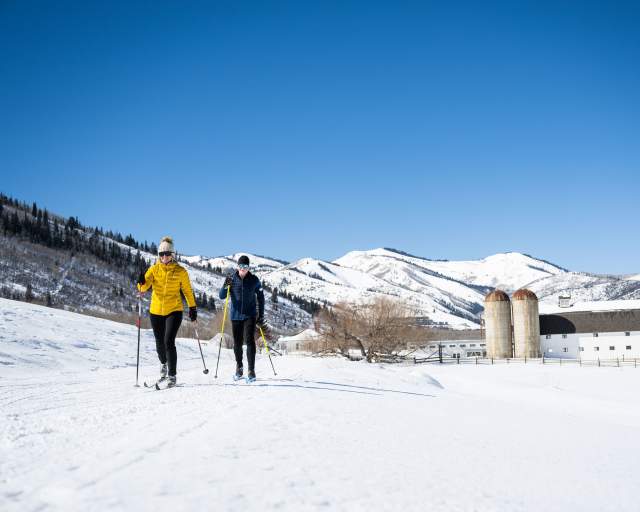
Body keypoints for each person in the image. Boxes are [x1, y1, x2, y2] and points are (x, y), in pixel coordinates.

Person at [137, 236, 197, 388]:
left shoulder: (180, 271)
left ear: (172, 254)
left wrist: (192, 308)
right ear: (159, 255)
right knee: (159, 344)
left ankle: (172, 375)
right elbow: (143, 289)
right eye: (161, 254)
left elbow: (188, 291)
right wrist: (141, 282)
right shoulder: (154, 269)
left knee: (168, 341)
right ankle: (164, 363)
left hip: (174, 310)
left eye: (167, 254)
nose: (164, 257)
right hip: (156, 311)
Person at [219, 255, 265, 381]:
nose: (243, 269)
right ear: (237, 266)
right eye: (241, 266)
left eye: (245, 266)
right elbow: (222, 296)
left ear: (248, 267)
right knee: (237, 343)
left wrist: (261, 316)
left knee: (249, 340)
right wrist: (226, 284)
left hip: (249, 315)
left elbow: (261, 298)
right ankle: (239, 367)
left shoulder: (254, 280)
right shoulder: (231, 278)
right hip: (235, 316)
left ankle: (251, 370)